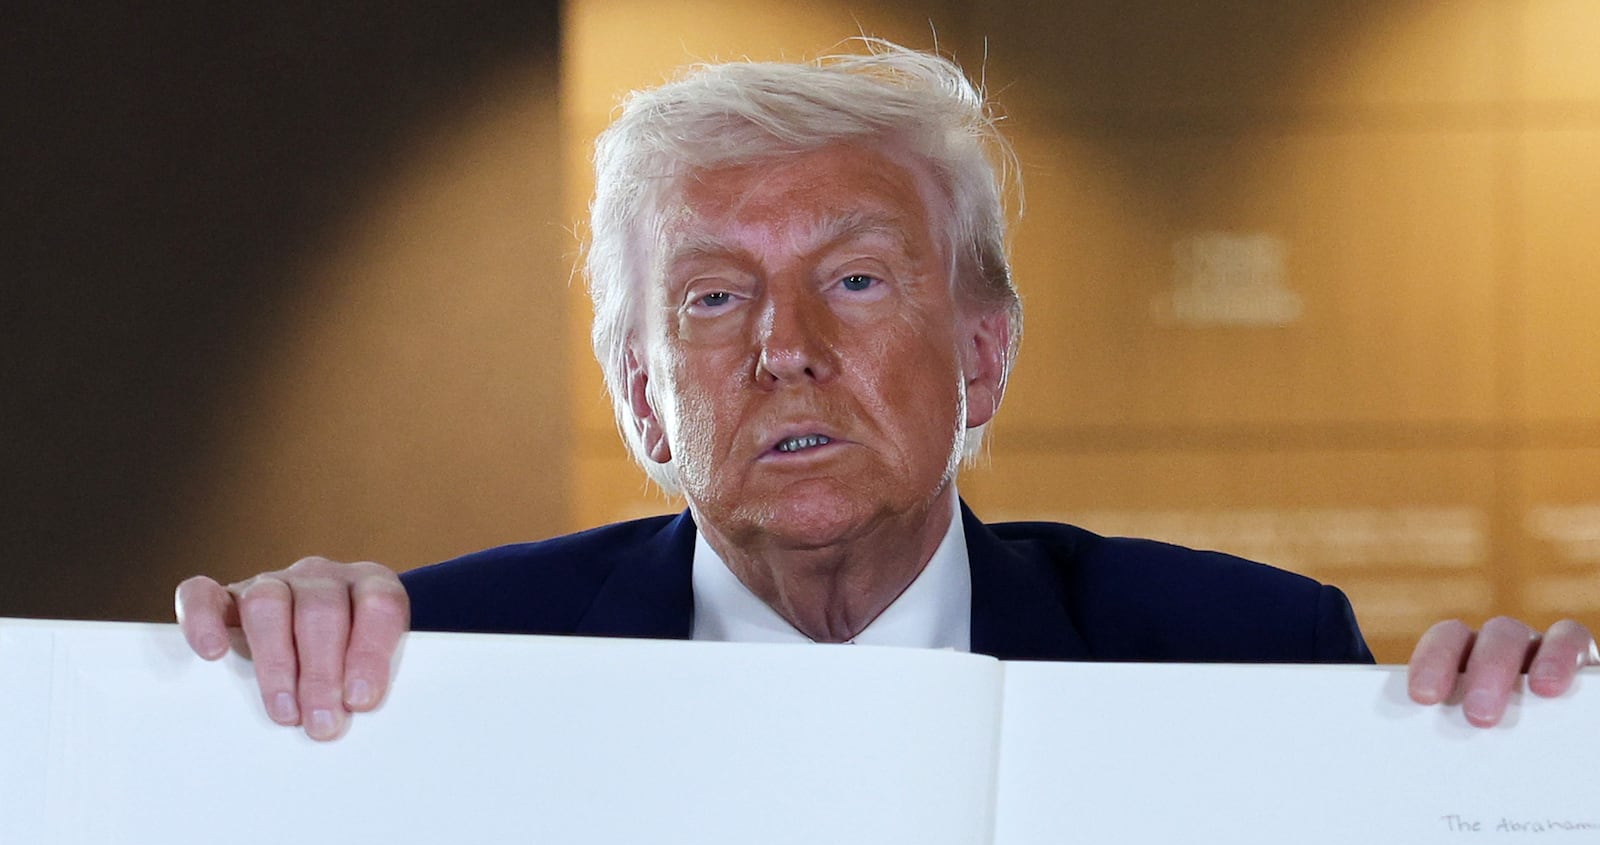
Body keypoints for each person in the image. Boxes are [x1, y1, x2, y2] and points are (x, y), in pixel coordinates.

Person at [175, 42, 1596, 742]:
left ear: (983, 354)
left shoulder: (1247, 660)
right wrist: (252, 708)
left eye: (856, 280)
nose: (784, 347)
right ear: (643, 397)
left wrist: (1517, 785)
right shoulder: (436, 668)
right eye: (713, 297)